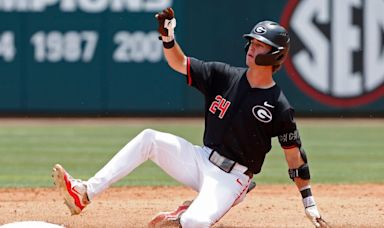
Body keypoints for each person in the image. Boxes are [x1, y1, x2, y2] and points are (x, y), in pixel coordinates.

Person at [52, 7, 328, 228]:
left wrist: (309, 203)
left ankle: (189, 214)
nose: (252, 48)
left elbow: (295, 158)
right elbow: (179, 63)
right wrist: (168, 39)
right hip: (200, 158)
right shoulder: (223, 76)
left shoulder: (278, 105)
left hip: (232, 179)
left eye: (261, 45)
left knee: (195, 222)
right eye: (252, 42)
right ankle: (84, 193)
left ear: (275, 56)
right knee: (150, 139)